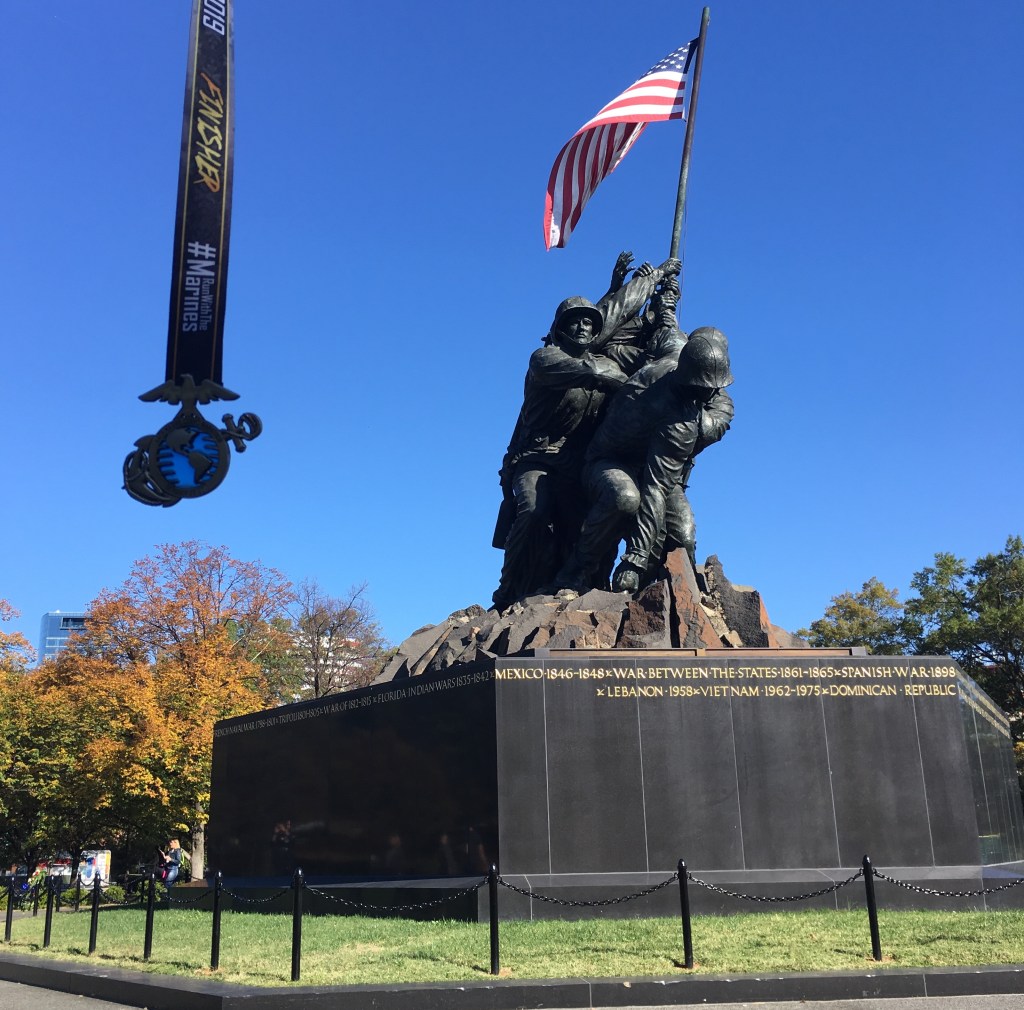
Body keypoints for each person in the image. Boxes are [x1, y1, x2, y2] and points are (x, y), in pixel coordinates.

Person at [491, 254, 681, 609]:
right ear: (560, 327)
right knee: (533, 510)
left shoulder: (606, 354)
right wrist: (635, 388)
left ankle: (584, 584)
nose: (582, 327)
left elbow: (620, 312)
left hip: (579, 465)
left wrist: (658, 298)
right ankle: (505, 592)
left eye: (588, 323)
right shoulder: (546, 359)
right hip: (540, 460)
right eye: (574, 321)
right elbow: (596, 372)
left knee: (599, 524)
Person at [555, 327, 734, 594]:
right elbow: (653, 490)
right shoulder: (679, 417)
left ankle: (674, 597)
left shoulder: (676, 358)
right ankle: (575, 573)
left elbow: (658, 487)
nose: (711, 393)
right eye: (705, 387)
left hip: (657, 472)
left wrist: (636, 560)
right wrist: (635, 559)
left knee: (683, 536)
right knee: (625, 498)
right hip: (608, 460)